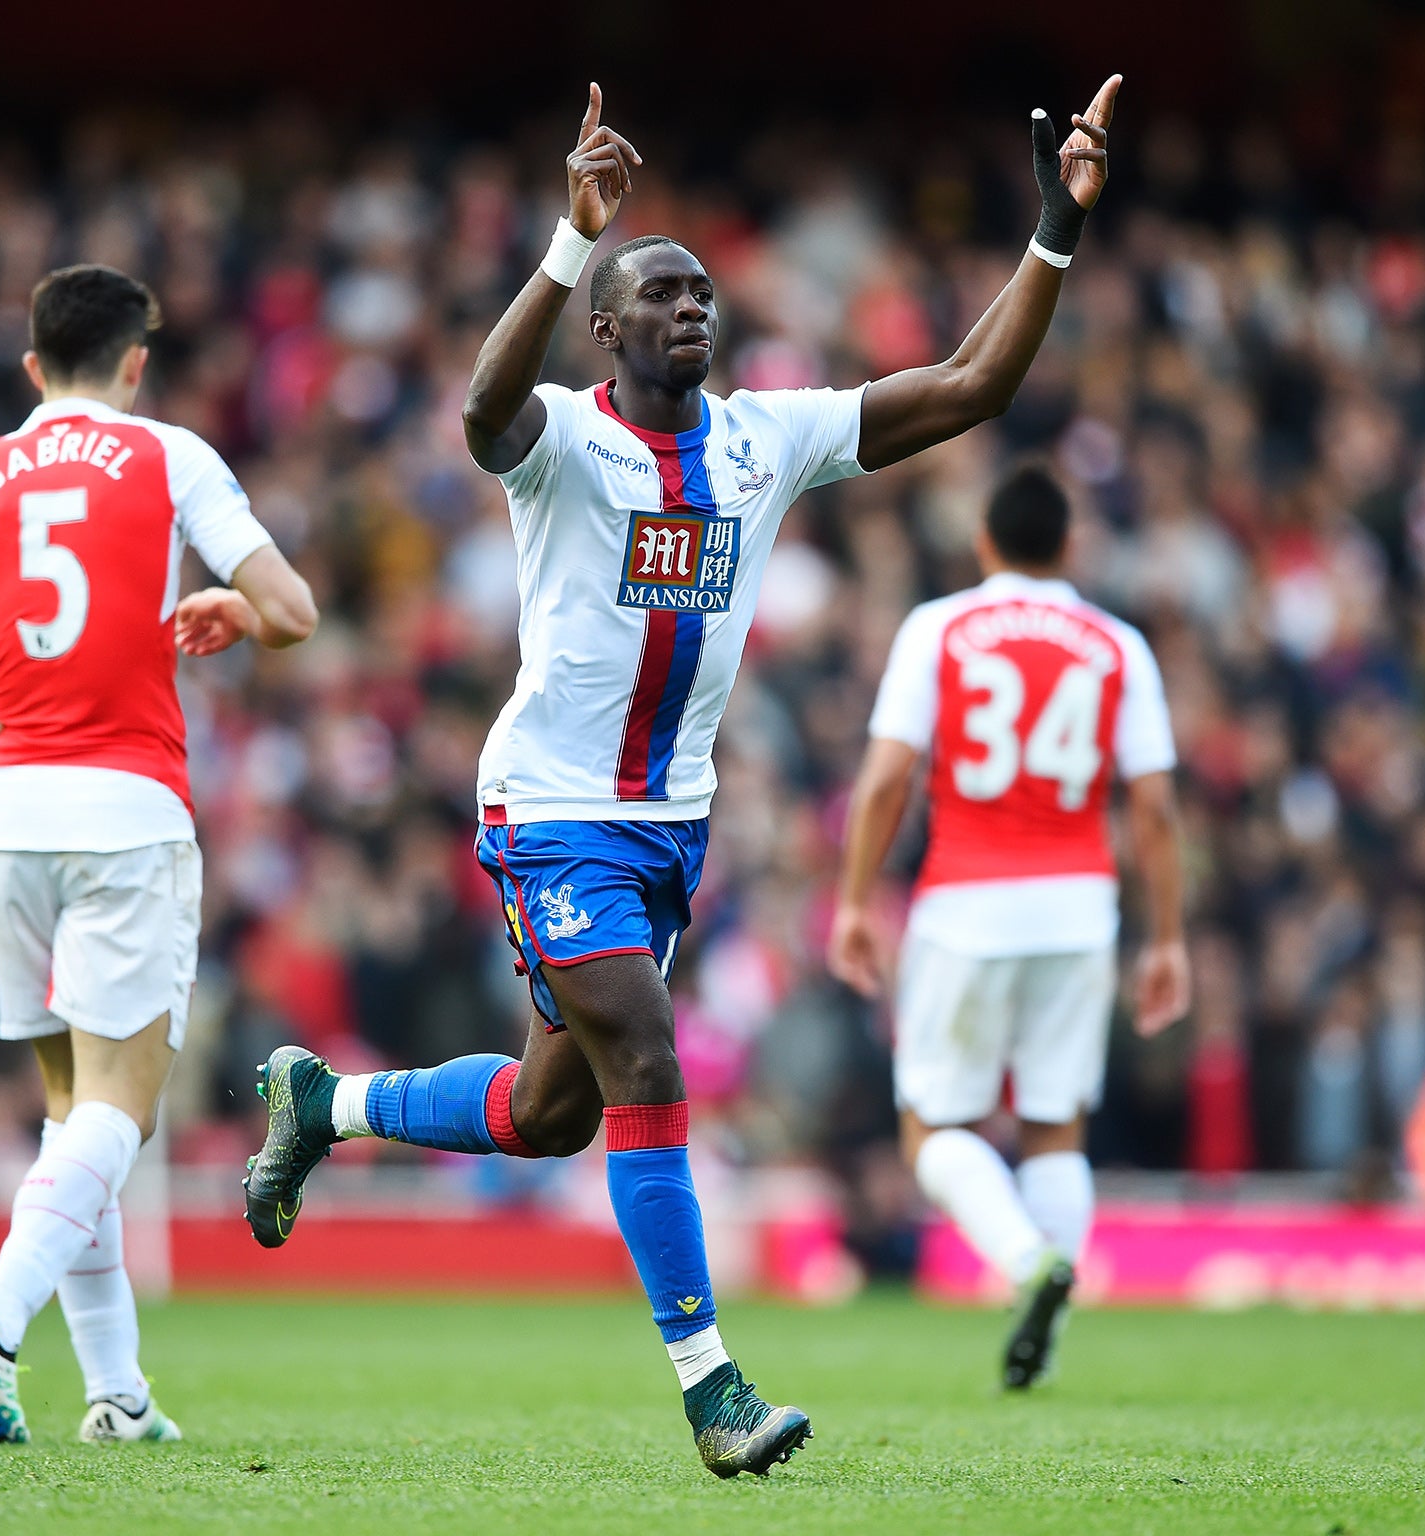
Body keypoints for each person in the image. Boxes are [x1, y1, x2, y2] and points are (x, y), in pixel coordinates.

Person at [240, 75, 1124, 1476]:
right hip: (552, 812)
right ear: (607, 327)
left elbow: (968, 387)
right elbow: (477, 413)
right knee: (648, 1055)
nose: (693, 306)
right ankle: (713, 1393)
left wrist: (1052, 232)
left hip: (668, 829)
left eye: (703, 290)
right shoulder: (564, 445)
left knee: (553, 1113)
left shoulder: (765, 439)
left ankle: (323, 1104)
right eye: (659, 293)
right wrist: (564, 234)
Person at [0, 263, 316, 1444]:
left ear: (33, 367)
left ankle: (116, 1396)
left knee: (72, 1113)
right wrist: (237, 610)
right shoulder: (170, 455)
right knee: (121, 1111)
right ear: (137, 361)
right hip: (126, 809)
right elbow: (292, 610)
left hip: (12, 813)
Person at [826, 464, 1190, 1389]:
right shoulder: (1116, 646)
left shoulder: (939, 628)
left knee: (933, 1129)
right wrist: (1170, 936)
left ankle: (1029, 1264)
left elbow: (885, 780)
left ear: (984, 543)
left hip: (967, 904)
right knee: (1054, 1128)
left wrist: (858, 900)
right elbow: (1153, 808)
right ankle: (1046, 1349)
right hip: (1079, 909)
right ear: (1070, 547)